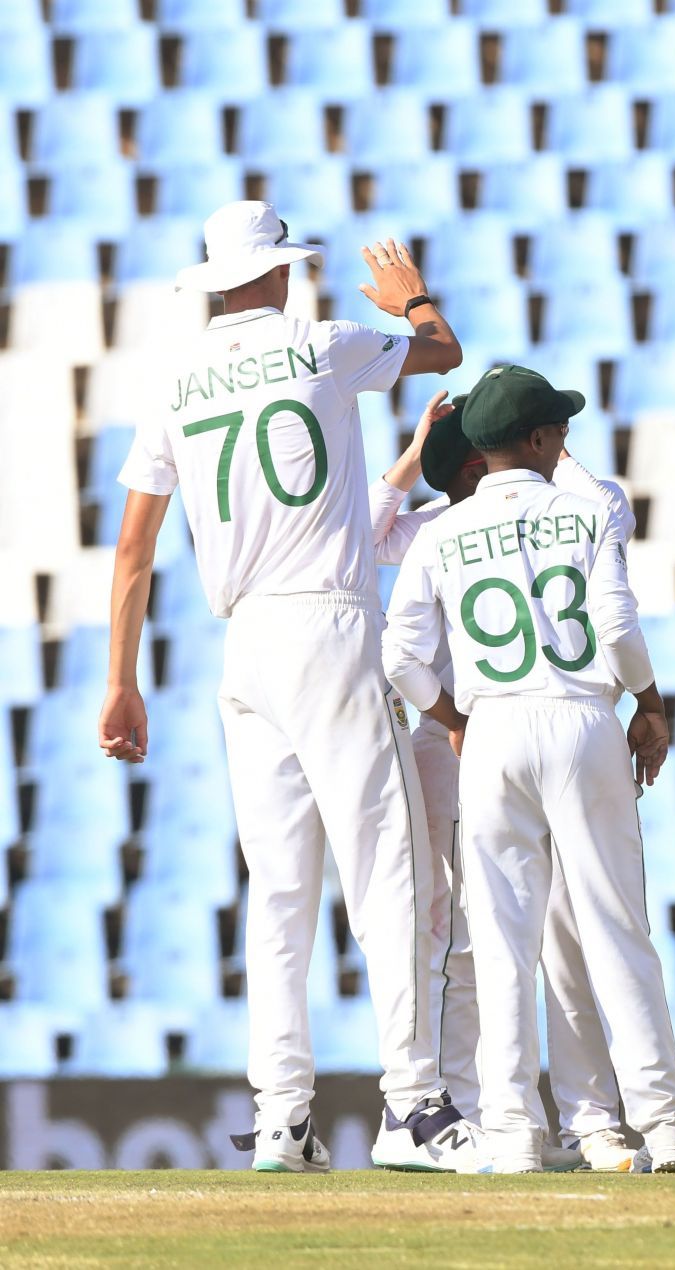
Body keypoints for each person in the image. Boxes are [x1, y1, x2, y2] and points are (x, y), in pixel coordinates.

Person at [99, 201, 471, 1173]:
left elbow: (134, 546)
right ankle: (416, 1104)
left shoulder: (174, 381)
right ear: (275, 275)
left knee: (279, 888)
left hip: (243, 643)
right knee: (386, 867)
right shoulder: (321, 344)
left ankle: (281, 1117)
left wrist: (120, 682)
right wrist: (412, 298)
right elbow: (442, 352)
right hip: (328, 619)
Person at [382, 364, 675, 1174]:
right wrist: (650, 704)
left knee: (503, 941)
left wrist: (453, 720)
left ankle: (514, 1131)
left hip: (493, 729)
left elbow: (401, 657)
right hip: (582, 717)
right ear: (540, 438)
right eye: (557, 429)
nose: (564, 440)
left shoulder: (442, 532)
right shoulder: (585, 510)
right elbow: (618, 626)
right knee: (617, 927)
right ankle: (662, 1127)